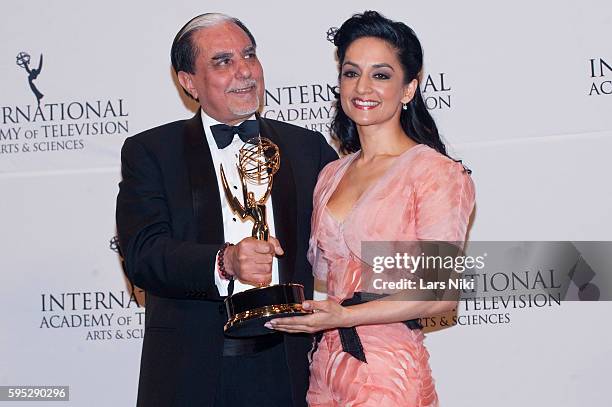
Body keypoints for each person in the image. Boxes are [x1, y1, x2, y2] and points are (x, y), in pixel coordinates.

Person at [115, 13, 337, 407]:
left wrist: (424, 285)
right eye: (223, 62)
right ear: (188, 82)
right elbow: (143, 255)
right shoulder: (151, 152)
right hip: (192, 372)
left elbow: (348, 242)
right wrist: (225, 261)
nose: (245, 72)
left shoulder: (308, 148)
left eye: (249, 55)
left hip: (291, 370)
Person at [267, 11, 475, 406]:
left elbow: (439, 294)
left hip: (387, 369)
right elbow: (326, 277)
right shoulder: (331, 173)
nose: (362, 86)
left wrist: (344, 316)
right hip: (325, 366)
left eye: (381, 75)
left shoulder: (434, 173)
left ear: (409, 88)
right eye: (351, 72)